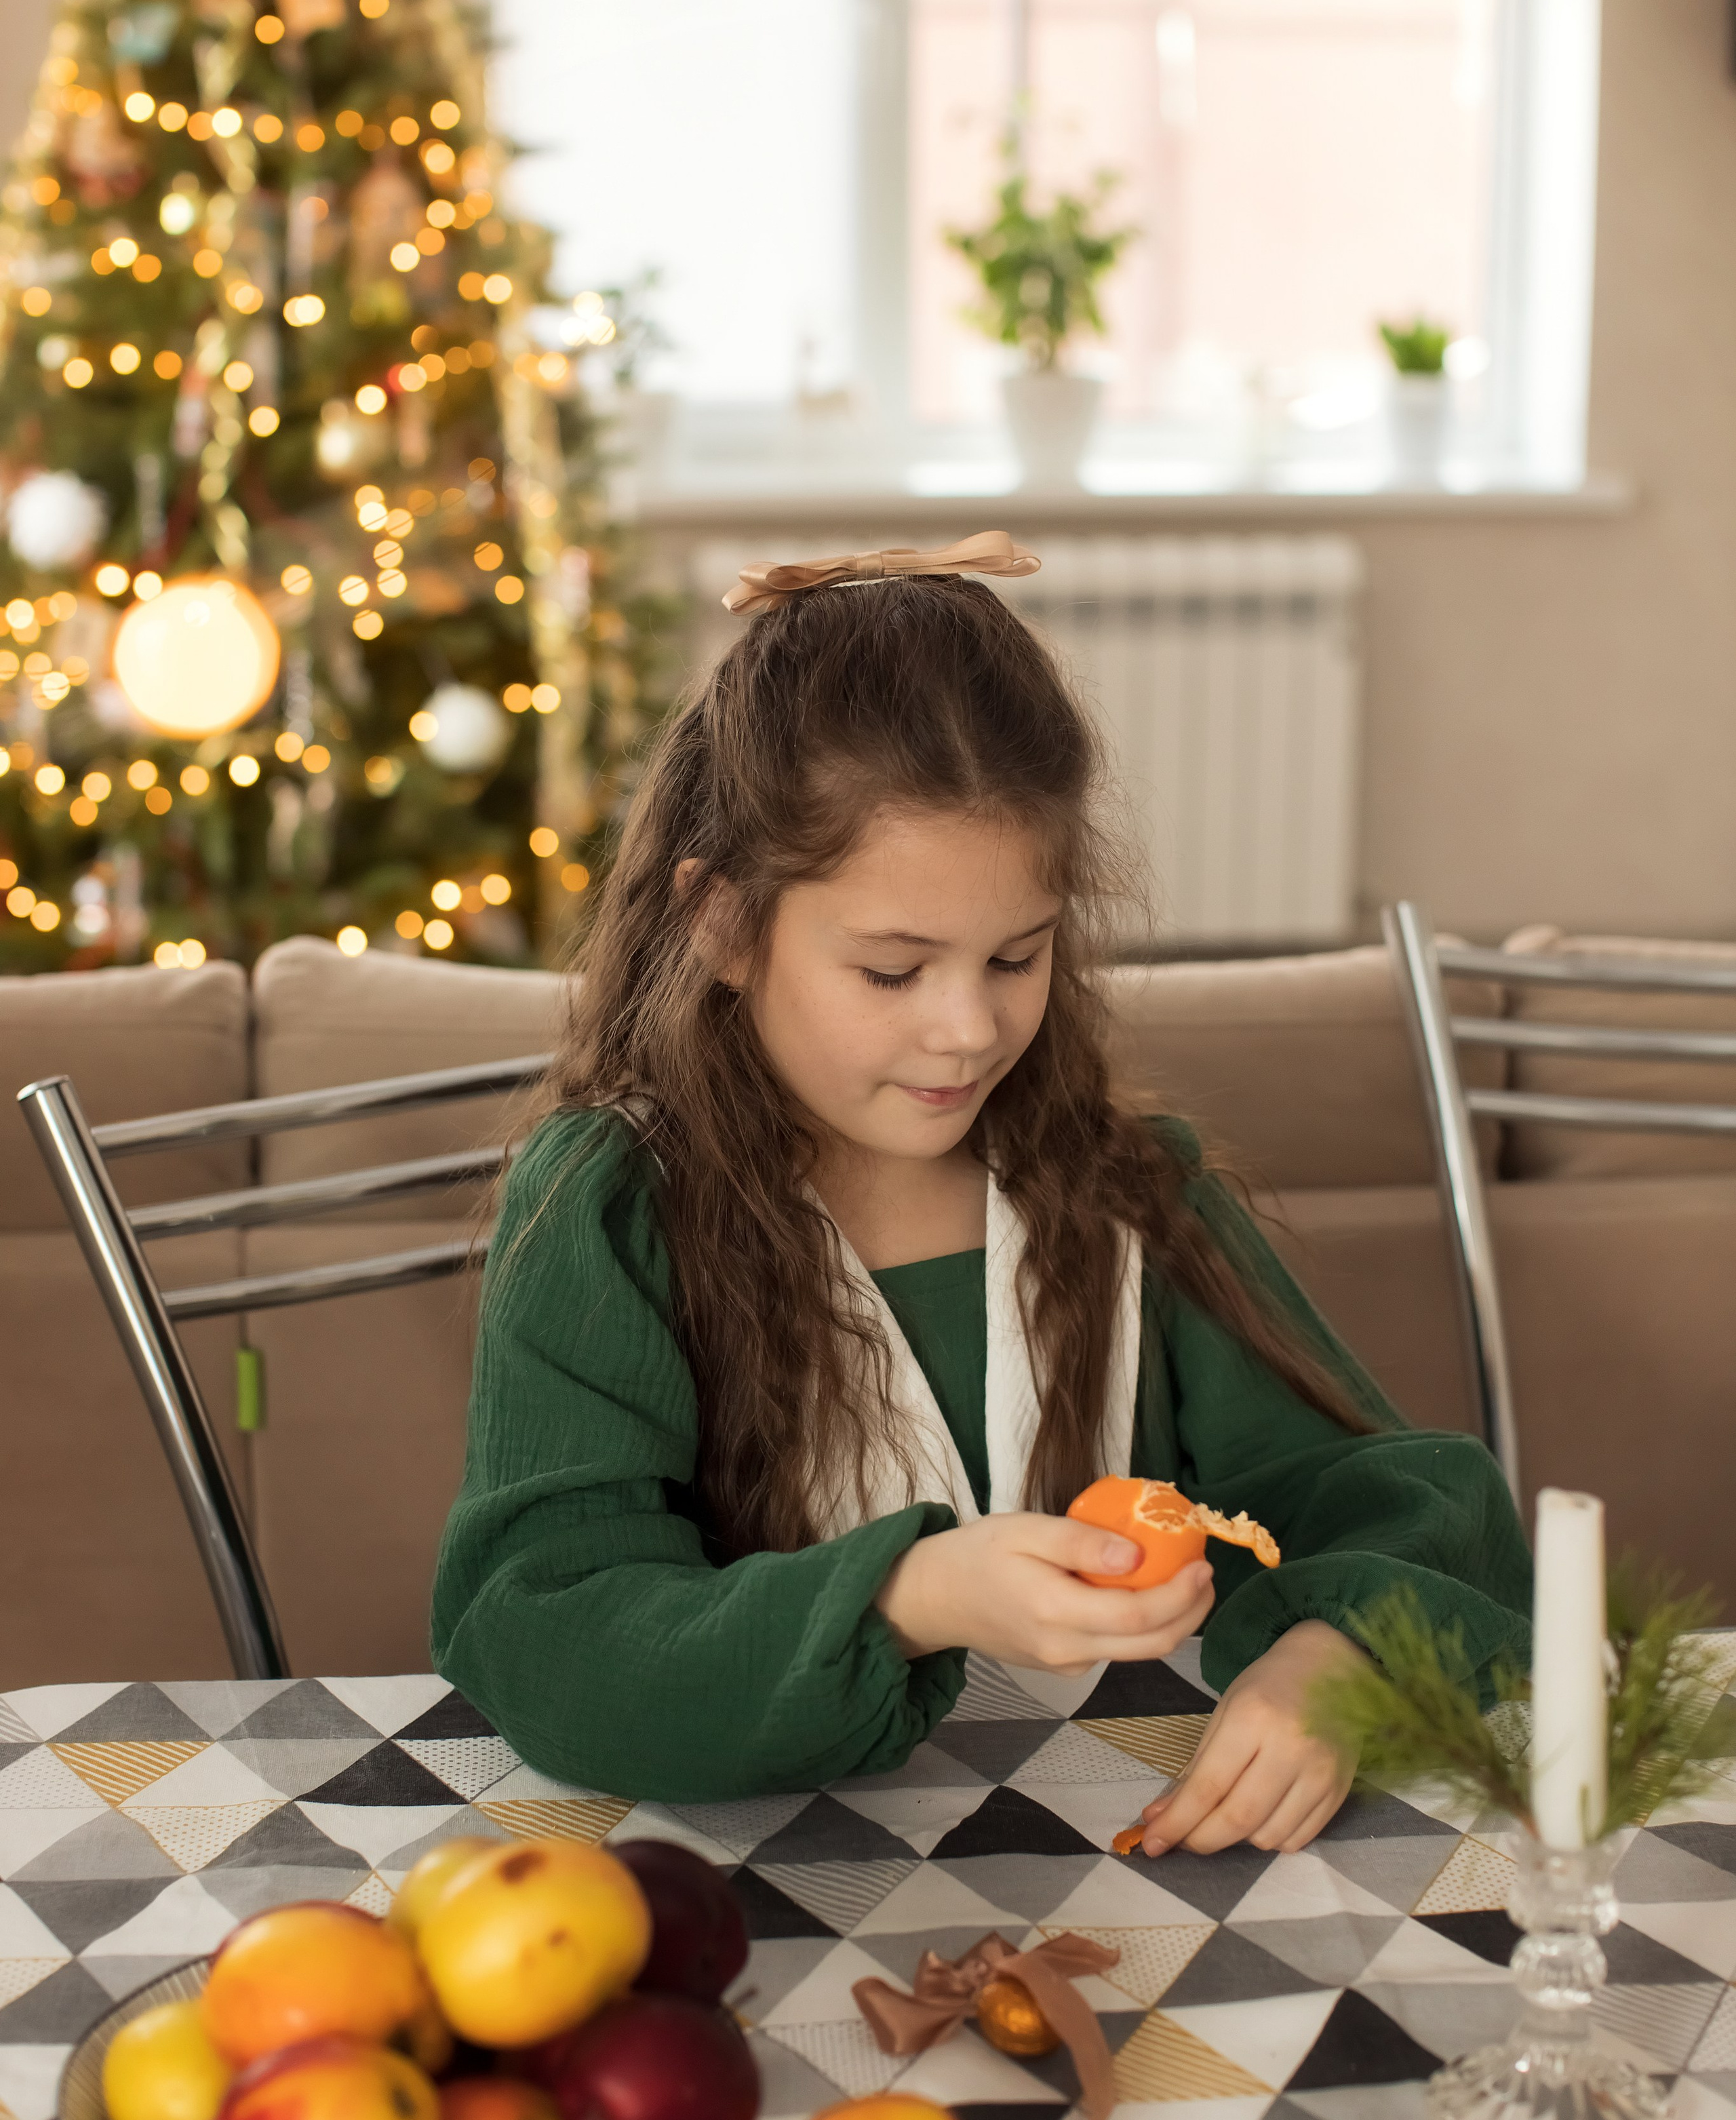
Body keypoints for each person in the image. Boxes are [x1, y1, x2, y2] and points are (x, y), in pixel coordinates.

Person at [432, 536, 1530, 1854]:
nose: (966, 1030)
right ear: (721, 925)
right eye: (892, 972)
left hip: (1130, 1874)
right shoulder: (610, 1214)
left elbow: (1395, 1502)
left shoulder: (1132, 1195)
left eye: (1015, 955)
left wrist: (1341, 1656)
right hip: (762, 1896)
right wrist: (906, 1594)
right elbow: (549, 1632)